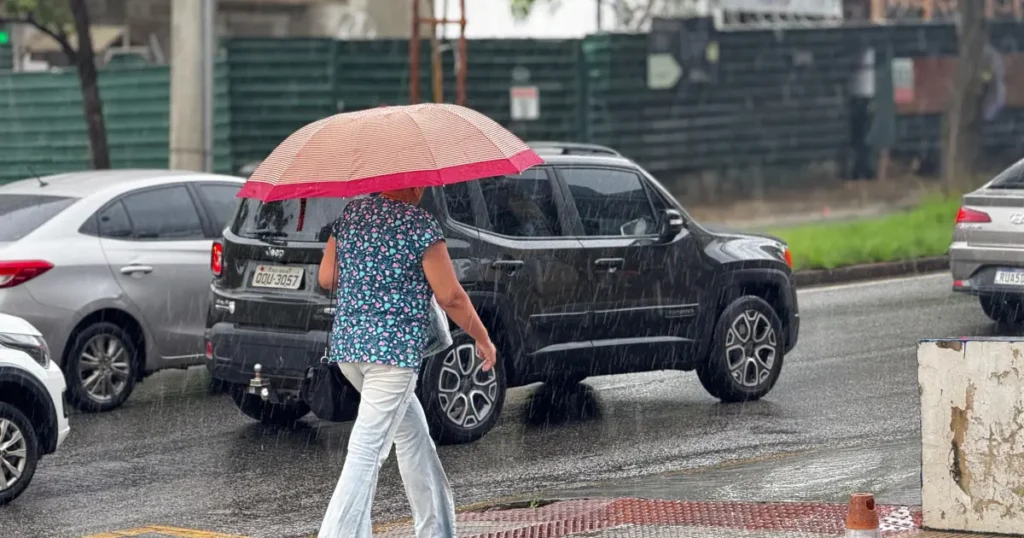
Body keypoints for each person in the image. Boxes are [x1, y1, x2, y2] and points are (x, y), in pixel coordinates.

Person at [316, 187, 498, 538]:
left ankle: (437, 529)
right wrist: (482, 338)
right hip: (392, 359)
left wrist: (370, 272)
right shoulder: (422, 226)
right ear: (415, 184)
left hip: (350, 351)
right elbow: (450, 296)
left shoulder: (353, 215)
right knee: (365, 453)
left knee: (414, 437)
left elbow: (327, 278)